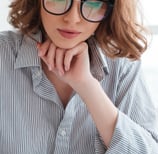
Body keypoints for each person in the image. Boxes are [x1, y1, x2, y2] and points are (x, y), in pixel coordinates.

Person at [0, 0, 158, 153]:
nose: (72, 18)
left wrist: (88, 86)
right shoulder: (3, 55)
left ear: (109, 9)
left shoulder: (123, 67)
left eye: (93, 3)